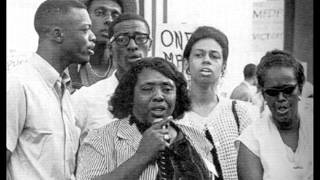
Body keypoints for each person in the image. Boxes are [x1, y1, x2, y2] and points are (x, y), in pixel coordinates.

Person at [76, 57, 218, 180]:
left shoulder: (197, 139)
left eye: (167, 89)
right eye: (147, 89)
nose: (158, 96)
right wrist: (141, 156)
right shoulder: (101, 138)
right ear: (130, 95)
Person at [6, 0, 96, 179]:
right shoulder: (17, 85)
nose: (93, 37)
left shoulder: (63, 91)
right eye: (85, 29)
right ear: (58, 34)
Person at [180, 26, 259, 180]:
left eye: (214, 56)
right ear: (186, 64)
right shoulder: (173, 116)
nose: (206, 60)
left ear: (223, 67)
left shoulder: (240, 113)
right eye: (198, 55)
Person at [71, 13, 152, 141]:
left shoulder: (163, 99)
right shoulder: (85, 100)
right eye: (122, 39)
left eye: (141, 38)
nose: (132, 46)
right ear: (110, 47)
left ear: (150, 45)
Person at [237, 50, 313, 180]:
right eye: (272, 92)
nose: (281, 98)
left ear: (300, 88)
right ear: (263, 94)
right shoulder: (251, 140)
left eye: (288, 90)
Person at [68, 0, 138, 90]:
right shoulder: (67, 67)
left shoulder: (125, 70)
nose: (109, 20)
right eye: (100, 13)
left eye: (115, 15)